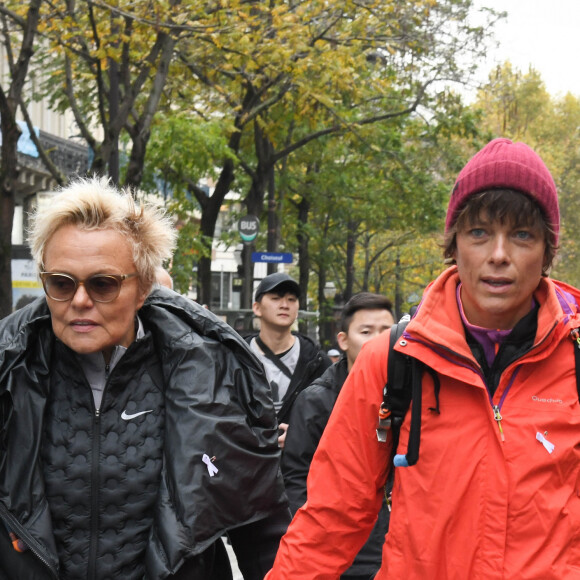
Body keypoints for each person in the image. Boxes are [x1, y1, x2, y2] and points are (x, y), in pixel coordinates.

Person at [266, 137, 580, 579]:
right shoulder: (391, 362)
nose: (499, 255)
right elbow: (331, 517)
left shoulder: (575, 357)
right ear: (453, 245)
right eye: (479, 232)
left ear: (548, 251)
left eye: (523, 235)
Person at [0, 177, 290, 580]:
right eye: (61, 283)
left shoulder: (212, 377)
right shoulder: (8, 373)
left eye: (103, 284)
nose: (80, 300)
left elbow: (262, 527)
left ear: (144, 288)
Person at [282, 292, 394, 579]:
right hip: (343, 553)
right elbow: (297, 477)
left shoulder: (413, 391)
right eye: (366, 332)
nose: (378, 341)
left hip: (397, 549)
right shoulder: (316, 401)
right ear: (343, 340)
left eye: (386, 332)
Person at [246, 272, 331, 448]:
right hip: (246, 463)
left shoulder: (317, 361)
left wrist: (300, 436)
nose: (285, 305)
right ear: (257, 308)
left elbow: (333, 417)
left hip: (297, 469)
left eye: (292, 300)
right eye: (276, 298)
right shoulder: (237, 356)